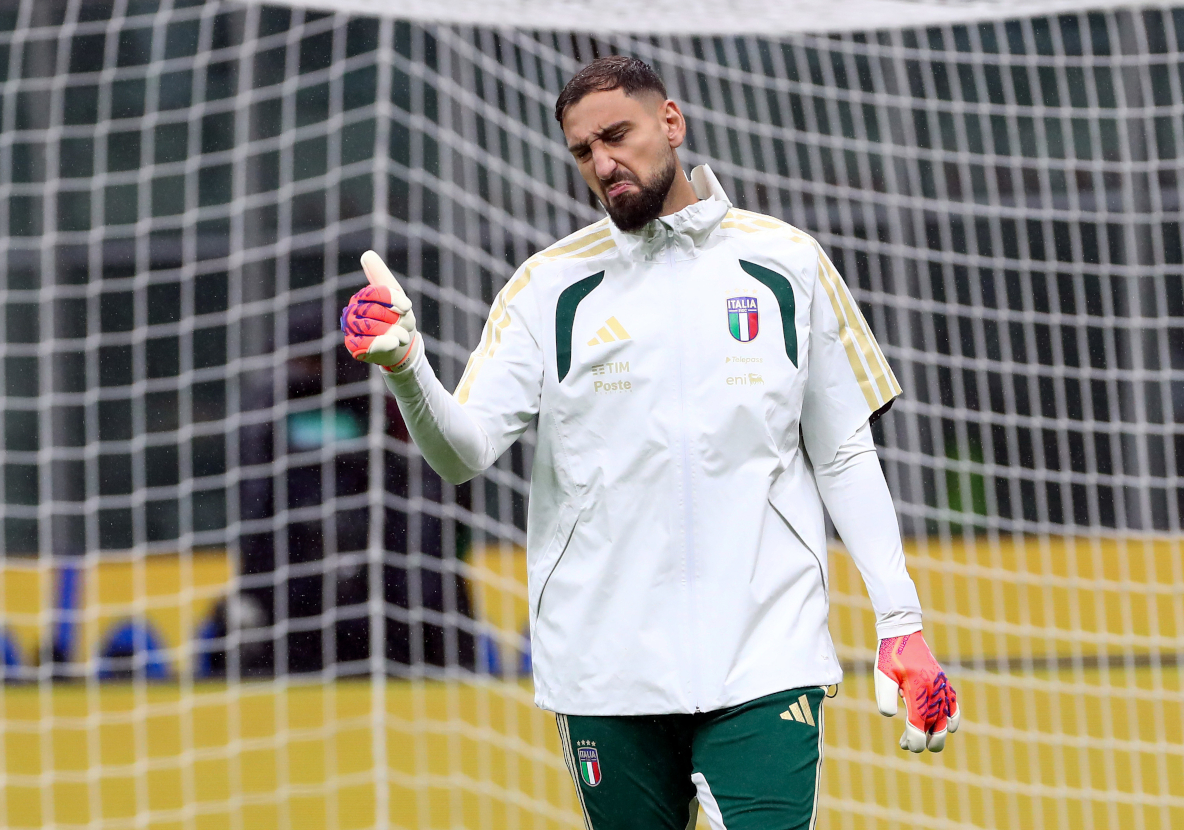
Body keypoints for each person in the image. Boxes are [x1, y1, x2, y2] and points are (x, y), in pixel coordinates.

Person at [340, 56, 960, 830]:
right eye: (582, 151)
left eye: (617, 136)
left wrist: (900, 621)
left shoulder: (787, 264)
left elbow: (842, 455)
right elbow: (462, 453)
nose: (603, 164)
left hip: (766, 654)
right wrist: (406, 367)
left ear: (671, 122)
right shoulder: (546, 289)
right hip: (604, 669)